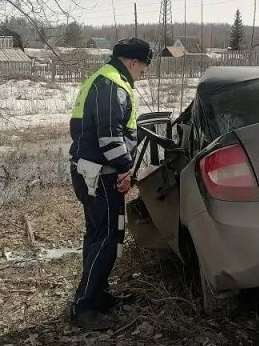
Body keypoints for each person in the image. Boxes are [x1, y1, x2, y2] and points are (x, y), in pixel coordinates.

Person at [68, 38, 152, 330]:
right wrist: (126, 169)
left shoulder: (103, 79)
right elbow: (110, 136)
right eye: (143, 67)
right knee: (108, 238)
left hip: (91, 172)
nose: (142, 73)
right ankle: (85, 306)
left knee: (96, 236)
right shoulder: (112, 85)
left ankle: (97, 293)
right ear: (133, 63)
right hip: (101, 175)